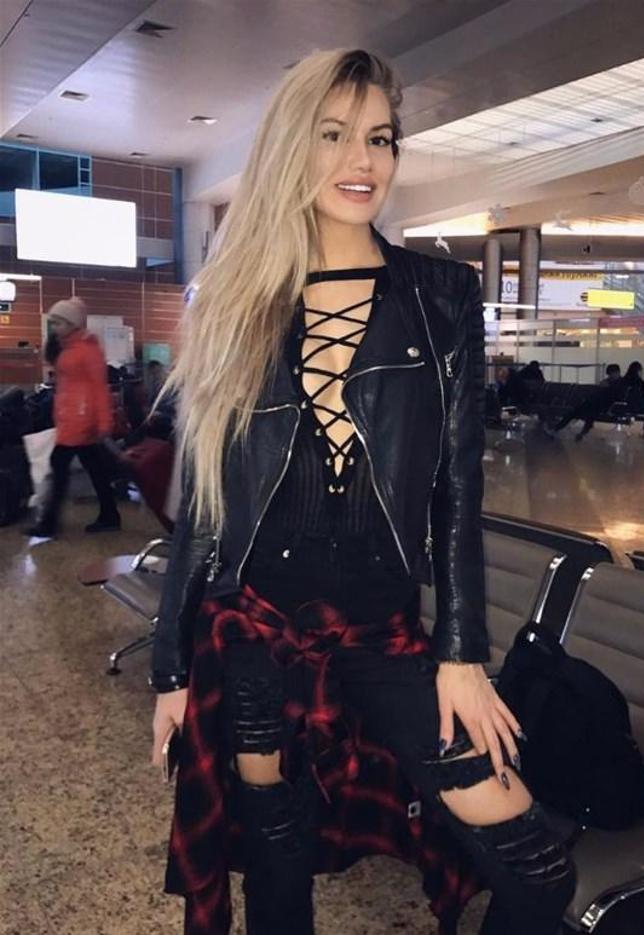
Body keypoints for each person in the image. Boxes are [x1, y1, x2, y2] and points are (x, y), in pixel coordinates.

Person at [150, 49, 574, 935]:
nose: (363, 160)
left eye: (380, 138)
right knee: (277, 862)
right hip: (257, 630)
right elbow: (205, 508)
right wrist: (171, 671)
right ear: (290, 148)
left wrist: (461, 653)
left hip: (385, 633)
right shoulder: (232, 300)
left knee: (538, 866)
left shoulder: (440, 295)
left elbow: (456, 489)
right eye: (334, 134)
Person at [25, 297, 121, 537]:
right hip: (74, 418)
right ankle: (110, 515)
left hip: (80, 420)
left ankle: (49, 523)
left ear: (72, 324)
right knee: (95, 469)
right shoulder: (68, 347)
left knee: (59, 467)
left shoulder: (87, 350)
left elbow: (100, 388)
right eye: (54, 322)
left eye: (59, 323)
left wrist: (105, 422)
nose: (55, 327)